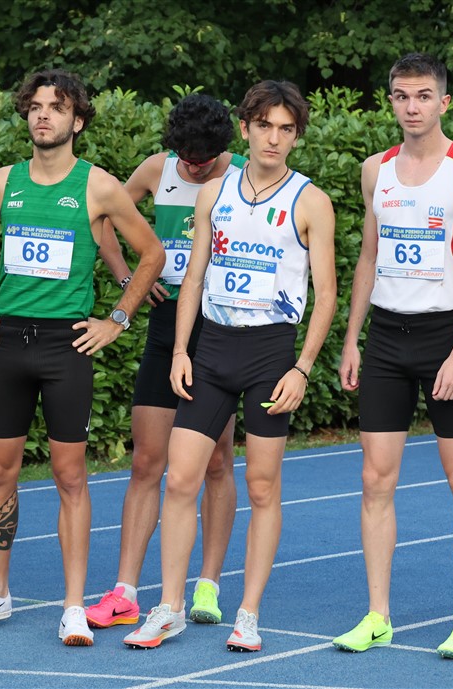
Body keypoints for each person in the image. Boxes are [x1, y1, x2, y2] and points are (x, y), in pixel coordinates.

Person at [0, 69, 164, 646]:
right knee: (0, 470)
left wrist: (116, 320)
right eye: (36, 106)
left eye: (57, 107)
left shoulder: (100, 187)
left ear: (78, 121)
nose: (43, 115)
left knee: (70, 476)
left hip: (65, 346)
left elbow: (152, 253)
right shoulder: (1, 183)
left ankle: (72, 605)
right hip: (8, 342)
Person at [121, 80, 336, 652]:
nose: (273, 138)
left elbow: (328, 296)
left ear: (296, 136)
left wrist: (302, 368)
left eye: (285, 129)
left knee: (263, 486)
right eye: (263, 126)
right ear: (245, 128)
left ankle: (248, 613)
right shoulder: (214, 193)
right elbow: (193, 276)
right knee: (180, 479)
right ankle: (168, 606)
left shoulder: (311, 201)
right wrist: (179, 351)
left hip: (270, 355)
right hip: (211, 350)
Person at [335, 53, 453, 660]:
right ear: (391, 101)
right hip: (386, 337)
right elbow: (369, 256)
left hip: (444, 336)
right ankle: (378, 614)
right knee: (375, 479)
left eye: (423, 96)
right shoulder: (374, 169)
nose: (412, 106)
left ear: (443, 102)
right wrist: (352, 338)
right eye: (402, 96)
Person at [85, 94, 246, 631]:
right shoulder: (157, 168)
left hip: (218, 326)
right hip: (164, 321)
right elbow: (102, 216)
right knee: (146, 461)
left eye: (203, 161)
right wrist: (125, 274)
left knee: (216, 461)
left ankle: (208, 584)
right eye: (186, 159)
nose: (193, 168)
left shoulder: (243, 175)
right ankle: (125, 592)